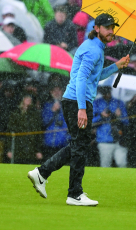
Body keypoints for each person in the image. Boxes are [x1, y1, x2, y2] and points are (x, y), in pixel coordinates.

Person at [28, 13, 130, 206]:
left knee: (78, 144)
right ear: (97, 28)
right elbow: (81, 79)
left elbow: (95, 77)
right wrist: (82, 109)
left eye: (113, 28)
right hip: (78, 101)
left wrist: (116, 66)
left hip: (74, 100)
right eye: (108, 27)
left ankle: (42, 173)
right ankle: (74, 193)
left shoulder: (94, 47)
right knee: (80, 146)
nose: (111, 31)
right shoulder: (93, 50)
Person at [93, 86, 129, 168]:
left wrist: (119, 117)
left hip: (119, 139)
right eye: (105, 92)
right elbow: (91, 122)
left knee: (122, 164)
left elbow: (126, 122)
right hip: (104, 140)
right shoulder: (96, 103)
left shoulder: (119, 103)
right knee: (105, 166)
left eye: (108, 91)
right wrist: (101, 116)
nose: (107, 94)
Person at [6, 95, 43, 165]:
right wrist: (9, 150)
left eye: (29, 99)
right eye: (26, 98)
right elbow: (10, 133)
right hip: (18, 148)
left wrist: (38, 150)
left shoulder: (35, 115)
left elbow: (38, 134)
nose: (28, 101)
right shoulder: (15, 114)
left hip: (31, 148)